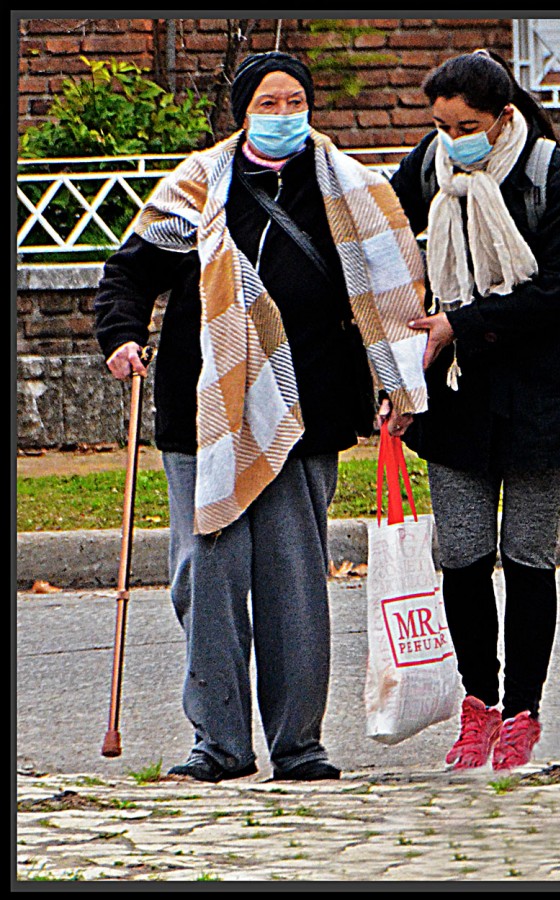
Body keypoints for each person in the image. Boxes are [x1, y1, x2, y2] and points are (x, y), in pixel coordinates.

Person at [94, 51, 428, 783]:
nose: (285, 115)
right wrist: (120, 336)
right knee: (205, 577)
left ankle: (298, 746)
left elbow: (389, 297)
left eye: (295, 100)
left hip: (306, 411)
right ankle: (217, 745)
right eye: (268, 105)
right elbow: (129, 272)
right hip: (205, 411)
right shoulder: (195, 188)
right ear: (242, 114)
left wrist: (392, 383)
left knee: (294, 582)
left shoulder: (351, 190)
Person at [389, 50, 560, 771]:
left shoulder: (553, 174)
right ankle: (476, 702)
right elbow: (390, 258)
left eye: (468, 124)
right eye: (441, 123)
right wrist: (391, 372)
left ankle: (523, 710)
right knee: (460, 554)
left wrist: (468, 321)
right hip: (455, 393)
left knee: (525, 555)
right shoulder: (429, 168)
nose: (453, 137)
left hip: (546, 391)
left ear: (504, 115)